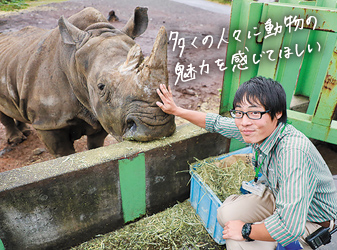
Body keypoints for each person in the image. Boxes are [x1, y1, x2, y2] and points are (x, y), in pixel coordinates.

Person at [156, 76, 337, 249]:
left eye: (254, 113)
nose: (244, 122)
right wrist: (176, 110)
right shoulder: (259, 129)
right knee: (226, 213)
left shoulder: (292, 153)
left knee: (238, 242)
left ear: (278, 113)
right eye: (239, 112)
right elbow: (216, 123)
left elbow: (290, 228)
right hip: (279, 196)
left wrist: (246, 230)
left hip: (311, 219)